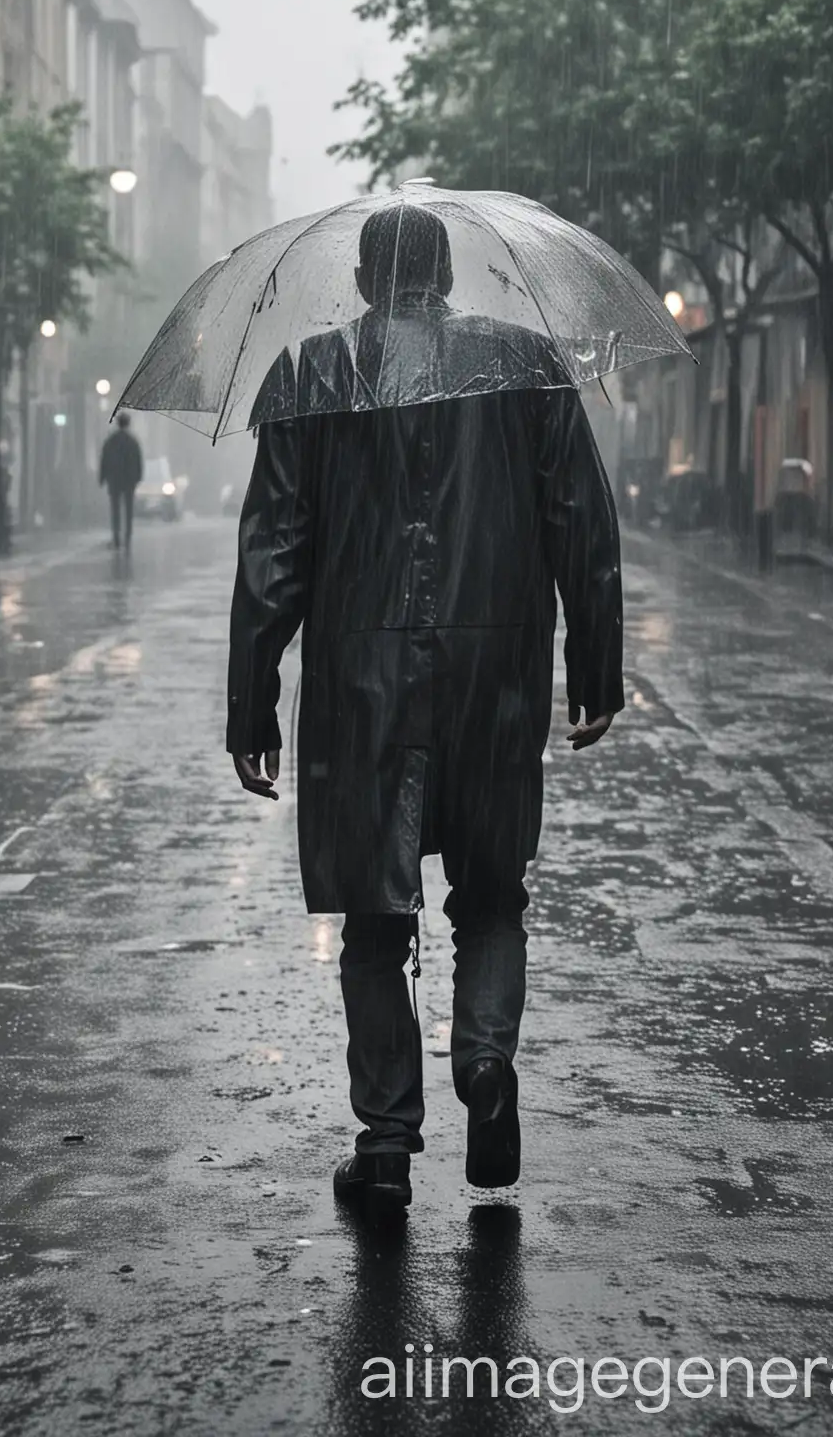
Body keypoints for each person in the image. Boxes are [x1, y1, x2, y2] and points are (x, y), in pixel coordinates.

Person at [227, 205, 622, 1213]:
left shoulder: (314, 376)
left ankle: (389, 1143)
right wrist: (597, 664)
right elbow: (582, 517)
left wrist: (253, 705)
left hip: (363, 682)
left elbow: (273, 553)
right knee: (490, 897)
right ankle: (485, 1064)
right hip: (496, 675)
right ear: (445, 278)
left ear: (365, 283)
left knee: (375, 919)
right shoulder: (523, 367)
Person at [99, 412, 143, 549]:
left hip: (115, 480)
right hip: (129, 481)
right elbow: (138, 461)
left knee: (115, 509)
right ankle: (128, 536)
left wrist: (102, 477)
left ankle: (116, 536)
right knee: (128, 509)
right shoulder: (133, 441)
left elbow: (104, 460)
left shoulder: (111, 440)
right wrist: (137, 478)